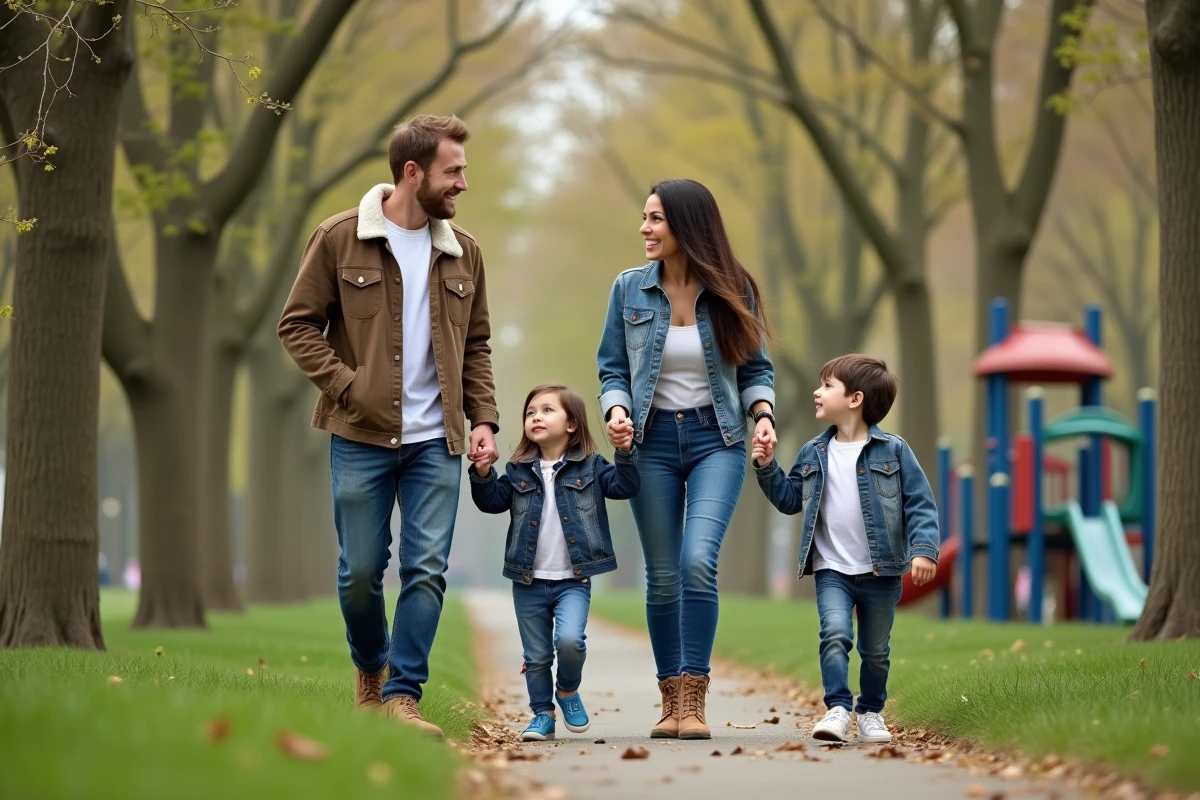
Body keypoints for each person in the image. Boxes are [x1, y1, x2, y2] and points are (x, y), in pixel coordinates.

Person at [278, 114, 499, 739]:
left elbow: (476, 343)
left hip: (438, 442)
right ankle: (370, 673)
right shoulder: (339, 238)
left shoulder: (465, 251)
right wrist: (348, 386)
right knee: (360, 572)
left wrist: (483, 418)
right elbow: (296, 324)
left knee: (426, 568)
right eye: (453, 170)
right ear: (413, 172)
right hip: (360, 436)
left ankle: (403, 696)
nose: (462, 182)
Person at [596, 179, 776, 740]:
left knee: (698, 560)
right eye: (645, 218)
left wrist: (764, 414)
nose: (645, 229)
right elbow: (611, 368)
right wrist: (616, 410)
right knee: (663, 576)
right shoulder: (628, 290)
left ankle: (694, 698)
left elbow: (755, 368)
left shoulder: (732, 289)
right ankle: (669, 698)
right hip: (647, 444)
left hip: (715, 439)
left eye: (656, 219)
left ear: (687, 226)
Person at [753, 354, 940, 744]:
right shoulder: (813, 452)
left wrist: (924, 549)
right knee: (834, 633)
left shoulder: (894, 451)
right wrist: (767, 466)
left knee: (875, 650)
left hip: (882, 570)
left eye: (827, 386)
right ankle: (837, 708)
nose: (816, 393)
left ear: (855, 399)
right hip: (831, 568)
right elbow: (791, 500)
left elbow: (920, 503)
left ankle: (870, 712)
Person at [470, 384, 640, 741]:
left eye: (547, 410)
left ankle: (566, 690)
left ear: (572, 424)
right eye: (531, 412)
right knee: (536, 656)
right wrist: (484, 474)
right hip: (527, 580)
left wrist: (625, 451)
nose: (536, 416)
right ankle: (542, 714)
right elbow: (492, 501)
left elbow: (624, 486)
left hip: (573, 579)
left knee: (569, 641)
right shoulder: (518, 470)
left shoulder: (592, 466)